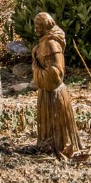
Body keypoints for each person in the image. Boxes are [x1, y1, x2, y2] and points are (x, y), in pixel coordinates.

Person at [31, 11, 78, 156]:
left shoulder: (50, 44)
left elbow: (56, 73)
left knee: (56, 125)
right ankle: (49, 145)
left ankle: (58, 147)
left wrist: (36, 68)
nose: (35, 29)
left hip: (53, 93)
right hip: (48, 92)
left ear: (45, 26)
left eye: (38, 26)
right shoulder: (46, 41)